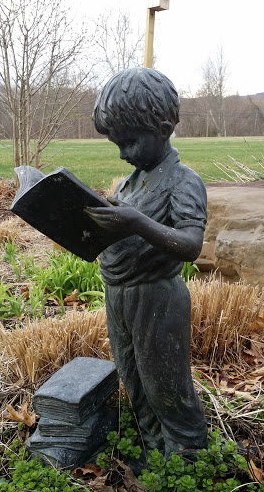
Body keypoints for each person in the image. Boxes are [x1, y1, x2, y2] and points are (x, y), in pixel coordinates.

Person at [85, 67, 208, 462]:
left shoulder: (183, 181)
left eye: (131, 142)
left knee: (165, 385)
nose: (122, 153)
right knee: (133, 378)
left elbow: (190, 245)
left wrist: (136, 221)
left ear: (165, 127)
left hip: (157, 297)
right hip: (118, 294)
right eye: (115, 143)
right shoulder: (128, 184)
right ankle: (155, 448)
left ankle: (187, 456)